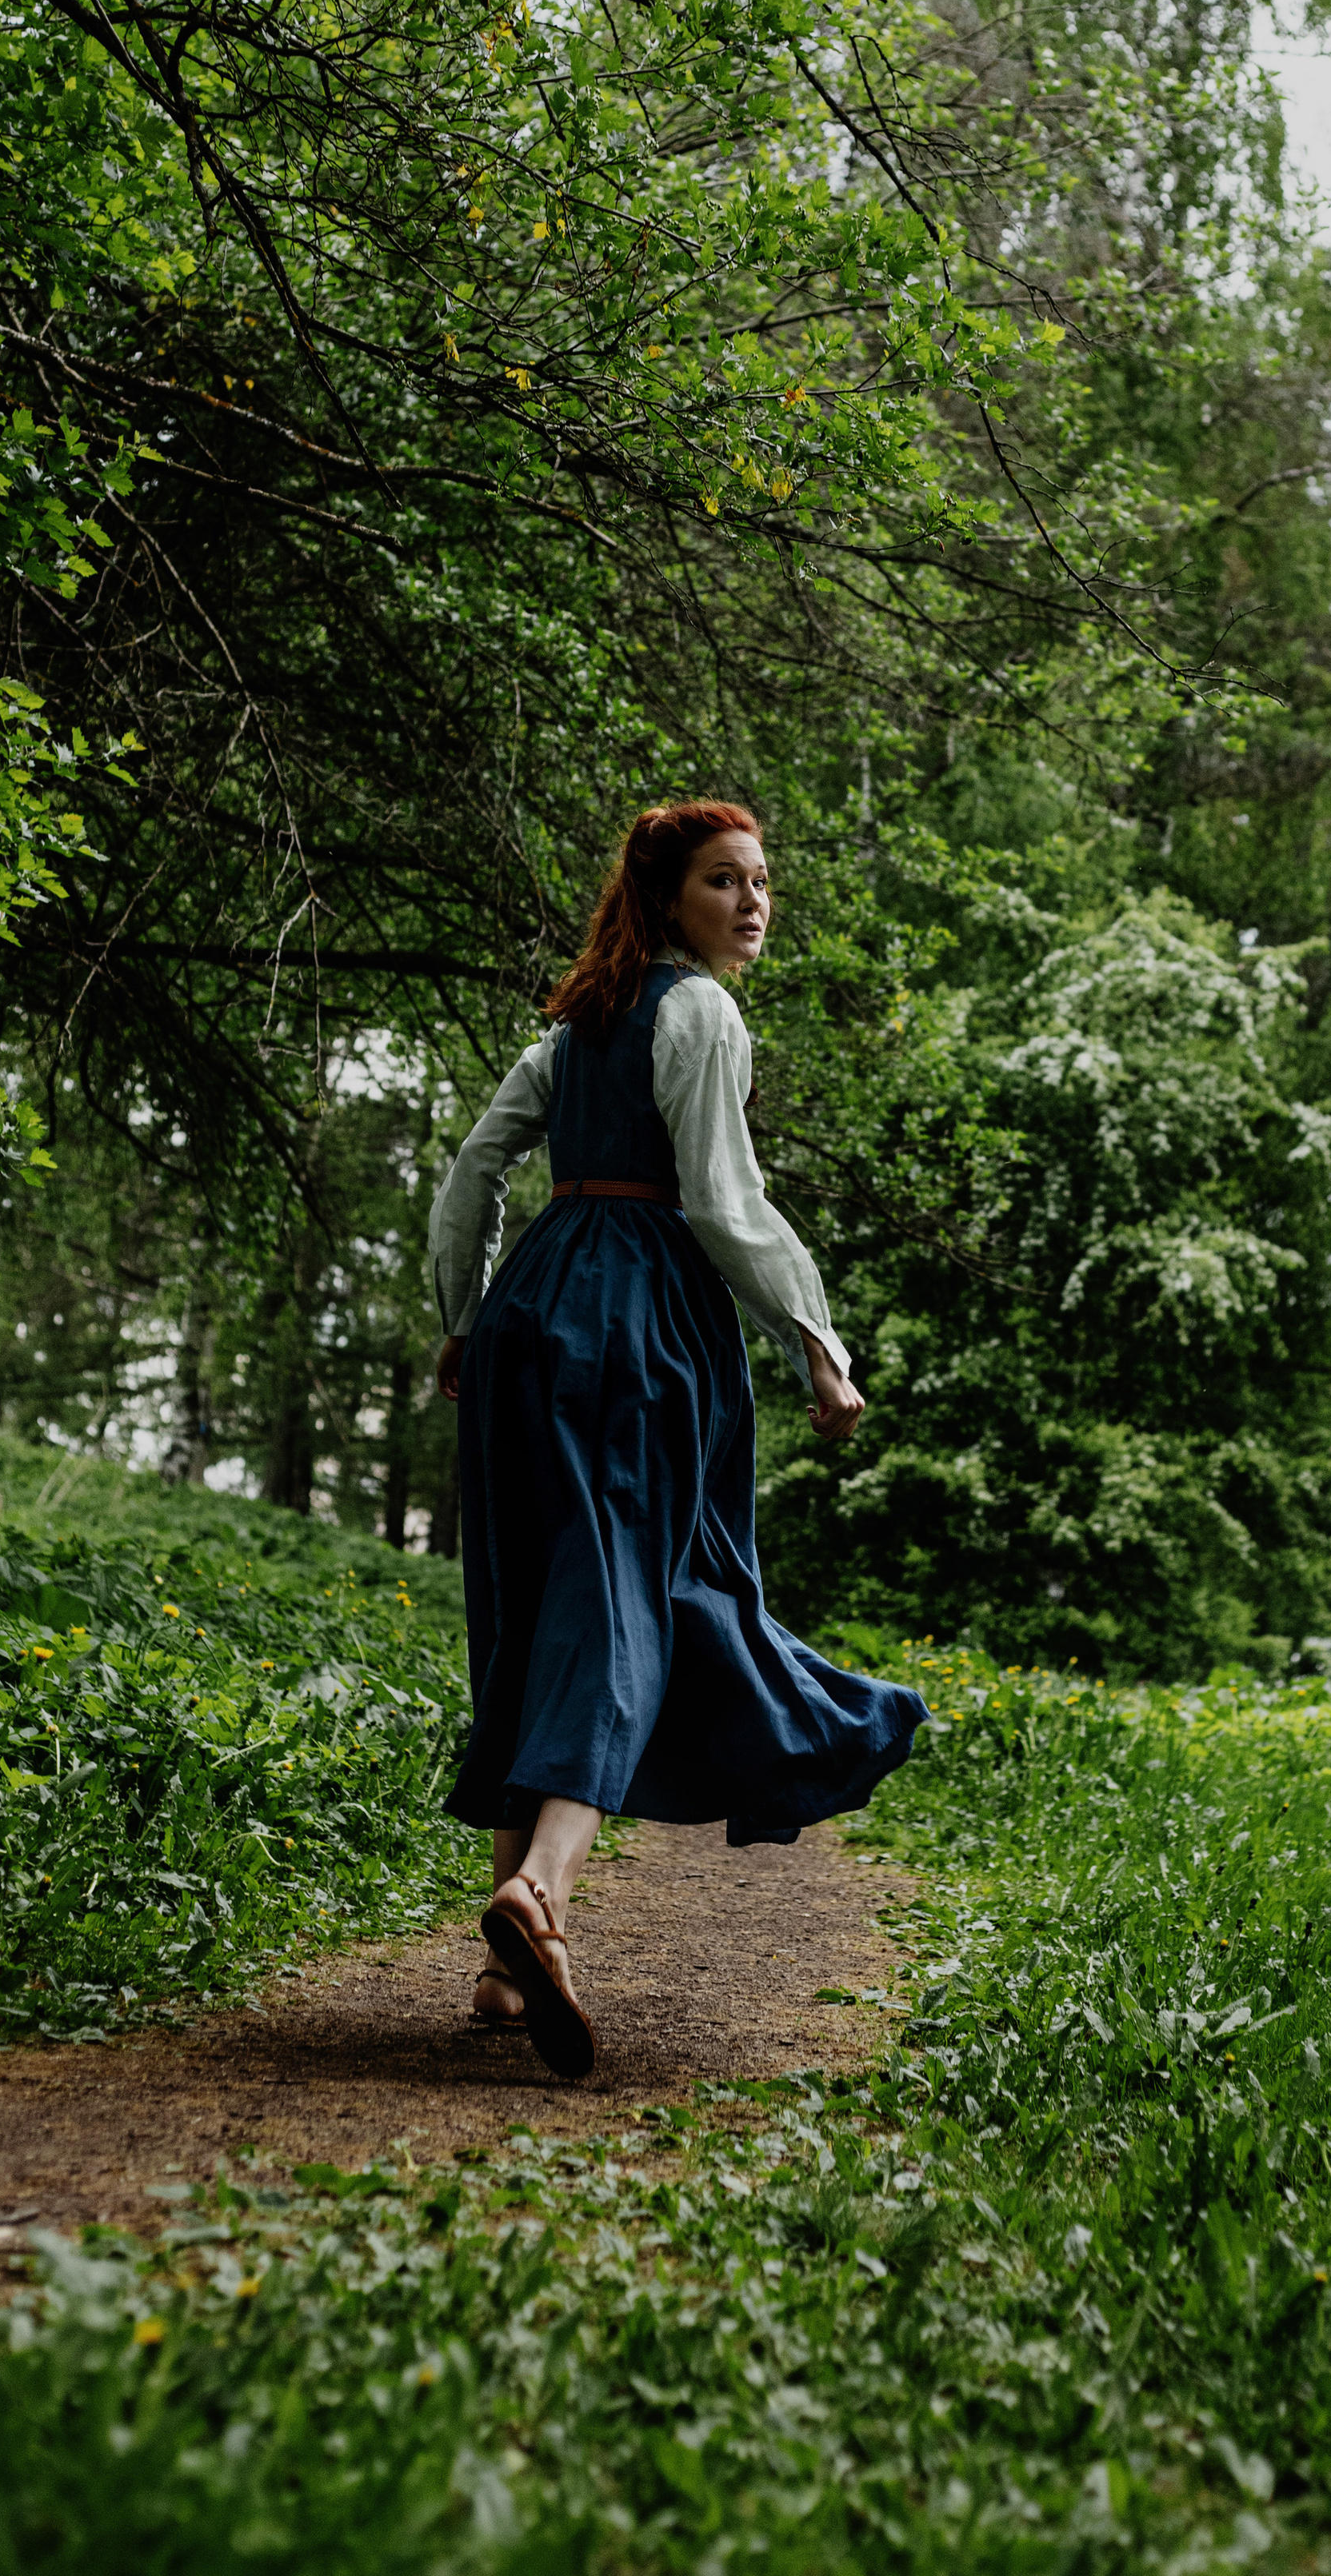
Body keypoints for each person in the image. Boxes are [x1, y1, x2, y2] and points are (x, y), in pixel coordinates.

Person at [426, 800, 929, 2079]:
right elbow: (720, 1198)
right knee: (631, 1599)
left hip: (530, 1315)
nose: (753, 904)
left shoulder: (574, 1028)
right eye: (723, 881)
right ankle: (538, 1891)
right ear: (666, 900)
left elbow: (474, 1172)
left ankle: (502, 1969)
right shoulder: (698, 1012)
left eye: (760, 882)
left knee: (539, 1605)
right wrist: (816, 1338)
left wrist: (464, 1317)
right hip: (639, 1329)